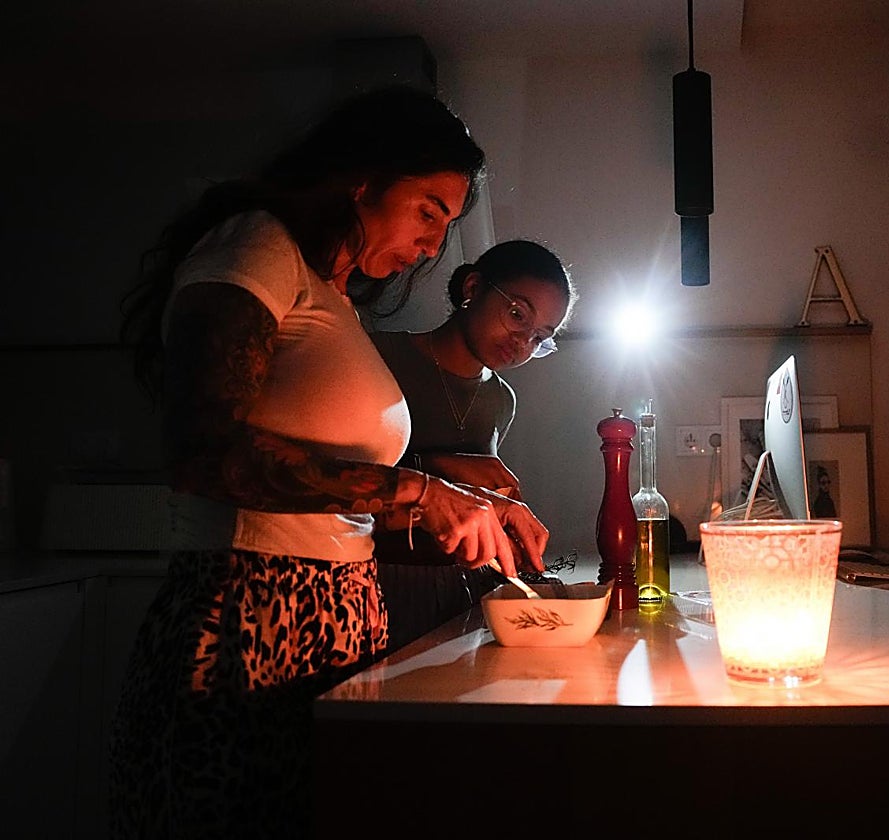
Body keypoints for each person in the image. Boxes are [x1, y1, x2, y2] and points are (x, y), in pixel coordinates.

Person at [109, 85, 549, 838]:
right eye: (428, 212)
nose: (434, 246)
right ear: (363, 179)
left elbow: (338, 484)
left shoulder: (334, 299)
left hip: (329, 621)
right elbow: (204, 452)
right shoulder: (254, 247)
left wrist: (458, 498)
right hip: (246, 623)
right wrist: (418, 491)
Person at [369, 239, 577, 651]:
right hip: (378, 582)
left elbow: (477, 504)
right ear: (472, 288)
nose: (522, 342)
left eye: (539, 338)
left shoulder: (501, 400)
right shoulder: (381, 356)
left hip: (464, 587)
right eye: (517, 314)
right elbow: (335, 477)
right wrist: (445, 466)